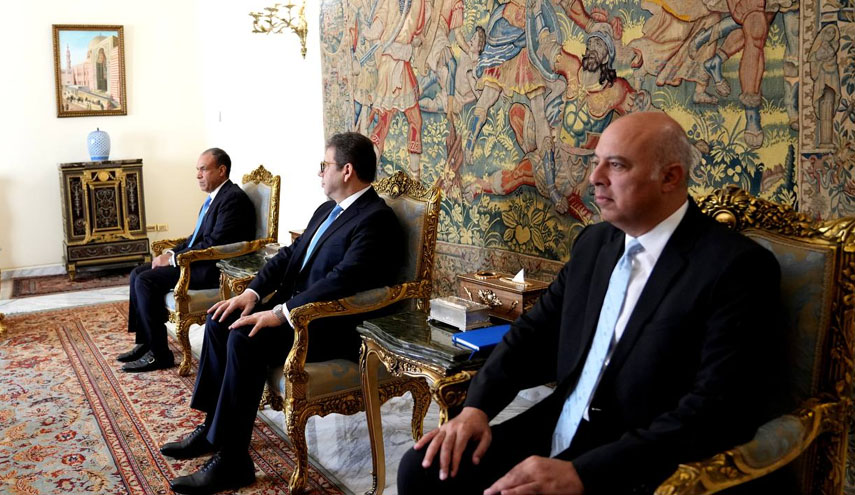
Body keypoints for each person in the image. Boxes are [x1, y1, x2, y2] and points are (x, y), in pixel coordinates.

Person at [398, 112, 786, 494]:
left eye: (616, 165)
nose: (594, 178)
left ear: (670, 177)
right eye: (596, 162)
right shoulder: (595, 244)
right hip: (563, 421)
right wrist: (476, 408)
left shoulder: (736, 268)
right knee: (423, 469)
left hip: (641, 456)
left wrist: (584, 474)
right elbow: (533, 333)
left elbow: (718, 408)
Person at [162, 132, 404, 495]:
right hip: (296, 309)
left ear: (347, 170)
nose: (319, 172)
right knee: (220, 319)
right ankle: (214, 430)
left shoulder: (375, 218)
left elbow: (343, 280)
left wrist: (280, 313)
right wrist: (251, 293)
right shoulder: (327, 210)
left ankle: (234, 463)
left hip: (328, 324)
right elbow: (289, 256)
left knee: (244, 338)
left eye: (324, 165)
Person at [118, 148, 255, 373]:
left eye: (203, 169)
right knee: (137, 273)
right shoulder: (214, 198)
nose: (198, 175)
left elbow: (214, 244)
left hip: (212, 268)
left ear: (221, 170)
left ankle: (160, 355)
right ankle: (146, 343)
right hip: (197, 261)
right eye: (197, 170)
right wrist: (170, 253)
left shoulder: (233, 199)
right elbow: (195, 238)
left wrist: (174, 259)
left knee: (146, 281)